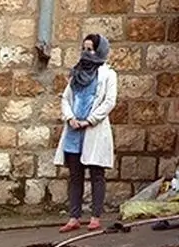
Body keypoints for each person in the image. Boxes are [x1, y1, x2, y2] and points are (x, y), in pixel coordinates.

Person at [54, 33, 118, 233]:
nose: (86, 53)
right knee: (75, 175)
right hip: (74, 131)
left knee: (96, 173)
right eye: (84, 49)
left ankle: (95, 216)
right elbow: (66, 98)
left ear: (99, 51)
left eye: (90, 49)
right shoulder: (76, 73)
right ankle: (74, 217)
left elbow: (109, 101)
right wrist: (71, 117)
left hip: (93, 130)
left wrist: (89, 120)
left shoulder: (108, 75)